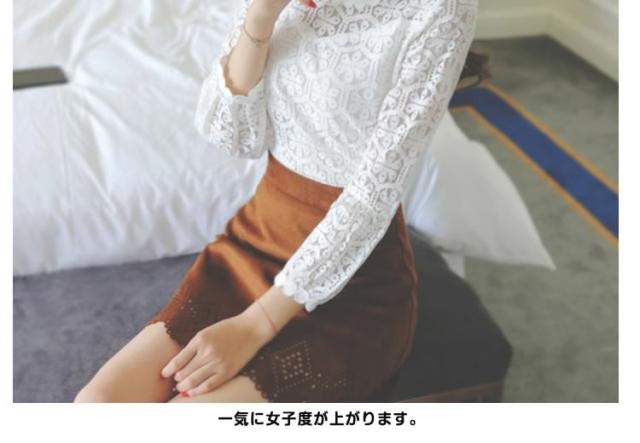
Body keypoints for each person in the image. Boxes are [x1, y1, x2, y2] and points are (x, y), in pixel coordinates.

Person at [74, 0, 481, 403]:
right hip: (251, 245)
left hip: (353, 282)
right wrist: (261, 14)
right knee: (95, 405)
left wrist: (256, 325)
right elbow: (232, 136)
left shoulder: (442, 9)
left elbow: (373, 196)